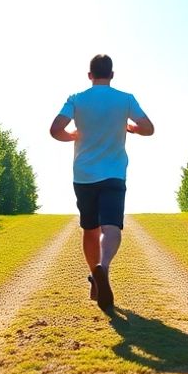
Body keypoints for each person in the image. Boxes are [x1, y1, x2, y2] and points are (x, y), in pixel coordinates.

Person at [50, 54, 154, 312]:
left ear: (90, 75)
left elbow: (55, 130)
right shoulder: (125, 99)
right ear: (112, 74)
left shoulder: (76, 99)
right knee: (112, 226)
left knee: (90, 228)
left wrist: (72, 135)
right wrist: (132, 129)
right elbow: (148, 128)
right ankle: (103, 268)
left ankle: (95, 279)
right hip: (114, 173)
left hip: (84, 174)